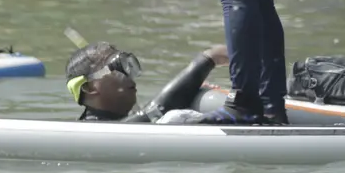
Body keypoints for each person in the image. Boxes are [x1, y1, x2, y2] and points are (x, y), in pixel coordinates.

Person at [66, 42, 229, 122]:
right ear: (89, 87)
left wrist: (191, 93)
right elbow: (156, 109)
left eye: (129, 66)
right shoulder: (94, 132)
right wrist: (208, 59)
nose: (129, 76)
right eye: (118, 67)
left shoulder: (126, 123)